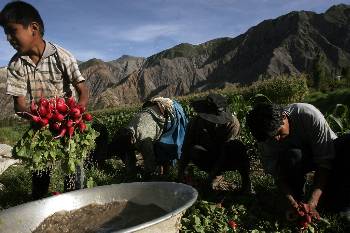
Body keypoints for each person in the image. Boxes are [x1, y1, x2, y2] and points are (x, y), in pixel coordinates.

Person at [0, 1, 89, 199]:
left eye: (12, 31)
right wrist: (41, 117)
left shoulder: (62, 56)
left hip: (67, 122)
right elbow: (19, 104)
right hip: (40, 122)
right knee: (40, 171)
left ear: (34, 28)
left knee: (73, 171)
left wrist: (75, 114)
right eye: (5, 33)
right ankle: (39, 203)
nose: (8, 38)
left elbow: (82, 91)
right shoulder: (15, 64)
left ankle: (76, 200)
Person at [246, 102, 350, 221]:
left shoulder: (307, 114)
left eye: (279, 133)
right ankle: (298, 199)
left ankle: (341, 199)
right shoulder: (264, 139)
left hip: (330, 153)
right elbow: (278, 175)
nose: (276, 139)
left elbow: (325, 162)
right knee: (293, 155)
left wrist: (313, 201)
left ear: (283, 117)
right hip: (299, 159)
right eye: (271, 138)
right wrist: (291, 200)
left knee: (347, 143)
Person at [178, 93, 253, 193]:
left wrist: (210, 178)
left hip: (227, 156)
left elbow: (225, 152)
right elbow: (186, 148)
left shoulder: (232, 123)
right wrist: (180, 174)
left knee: (238, 147)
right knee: (194, 150)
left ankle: (246, 183)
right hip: (208, 153)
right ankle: (215, 175)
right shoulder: (195, 123)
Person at [109, 97, 188, 180]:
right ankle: (163, 174)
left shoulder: (144, 139)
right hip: (149, 116)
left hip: (168, 116)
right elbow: (128, 153)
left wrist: (146, 176)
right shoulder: (127, 132)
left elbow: (150, 163)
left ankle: (168, 175)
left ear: (132, 141)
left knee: (164, 148)